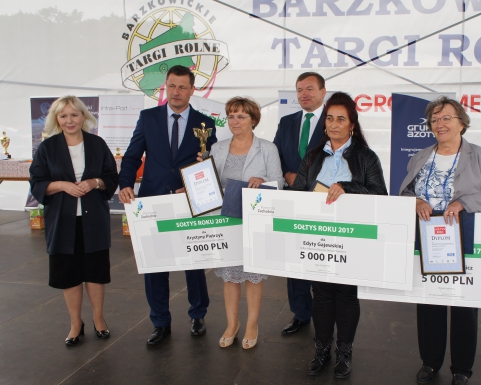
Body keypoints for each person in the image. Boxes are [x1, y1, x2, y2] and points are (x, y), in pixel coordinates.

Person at [398, 96, 481, 385]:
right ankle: (430, 362)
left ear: (462, 123)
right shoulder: (420, 157)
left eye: (446, 118)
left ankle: (461, 369)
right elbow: (404, 193)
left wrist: (463, 203)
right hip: (427, 239)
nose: (440, 124)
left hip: (464, 239)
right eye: (434, 120)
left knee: (464, 305)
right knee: (428, 301)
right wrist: (416, 201)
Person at [118, 65, 217, 345]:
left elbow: (210, 160)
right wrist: (125, 183)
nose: (176, 92)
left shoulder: (205, 123)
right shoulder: (148, 118)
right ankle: (160, 322)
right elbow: (132, 155)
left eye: (182, 87)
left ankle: (198, 315)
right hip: (153, 198)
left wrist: (194, 184)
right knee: (155, 264)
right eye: (171, 86)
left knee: (194, 261)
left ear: (192, 90)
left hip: (188, 200)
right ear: (165, 86)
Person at [292, 92, 387, 378]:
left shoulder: (366, 157)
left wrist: (348, 187)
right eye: (330, 119)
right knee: (321, 295)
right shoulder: (312, 156)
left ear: (352, 125)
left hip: (351, 237)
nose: (334, 124)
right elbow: (298, 193)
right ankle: (321, 349)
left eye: (341, 119)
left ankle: (344, 351)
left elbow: (380, 194)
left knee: (345, 295)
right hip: (317, 235)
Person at [29, 95, 119, 346]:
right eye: (63, 116)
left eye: (74, 115)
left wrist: (94, 182)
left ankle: (99, 319)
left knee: (95, 273)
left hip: (94, 220)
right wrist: (62, 186)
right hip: (62, 222)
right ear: (56, 119)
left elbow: (111, 177)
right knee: (69, 274)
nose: (69, 120)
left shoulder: (97, 144)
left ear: (83, 116)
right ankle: (75, 323)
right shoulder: (48, 148)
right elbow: (37, 182)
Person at [205, 97, 284, 349]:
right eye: (231, 116)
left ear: (253, 120)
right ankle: (232, 324)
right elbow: (210, 183)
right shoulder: (217, 148)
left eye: (241, 116)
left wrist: (263, 181)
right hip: (226, 218)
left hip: (254, 218)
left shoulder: (268, 148)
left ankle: (251, 324)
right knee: (229, 276)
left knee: (253, 275)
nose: (235, 121)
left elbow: (279, 182)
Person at [273, 72, 326, 335]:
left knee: (321, 254)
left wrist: (307, 180)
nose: (304, 94)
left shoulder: (334, 121)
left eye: (309, 89)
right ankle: (301, 313)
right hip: (291, 197)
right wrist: (286, 174)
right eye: (299, 90)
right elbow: (275, 153)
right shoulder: (287, 122)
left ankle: (325, 314)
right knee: (295, 257)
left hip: (323, 200)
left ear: (323, 92)